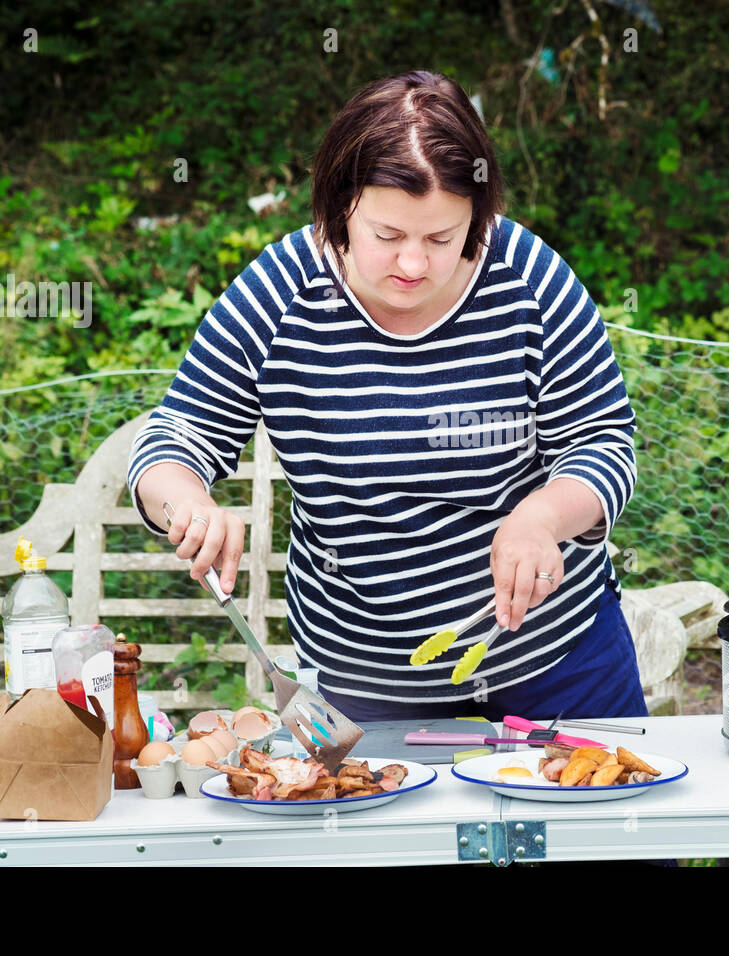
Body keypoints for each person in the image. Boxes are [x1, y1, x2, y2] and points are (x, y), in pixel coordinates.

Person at [126, 71, 644, 723]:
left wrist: (540, 518)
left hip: (557, 663)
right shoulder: (280, 293)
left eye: (442, 239)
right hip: (365, 684)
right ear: (338, 207)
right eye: (388, 236)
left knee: (598, 818)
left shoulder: (529, 281)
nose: (413, 265)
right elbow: (175, 438)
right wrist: (190, 503)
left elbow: (601, 442)